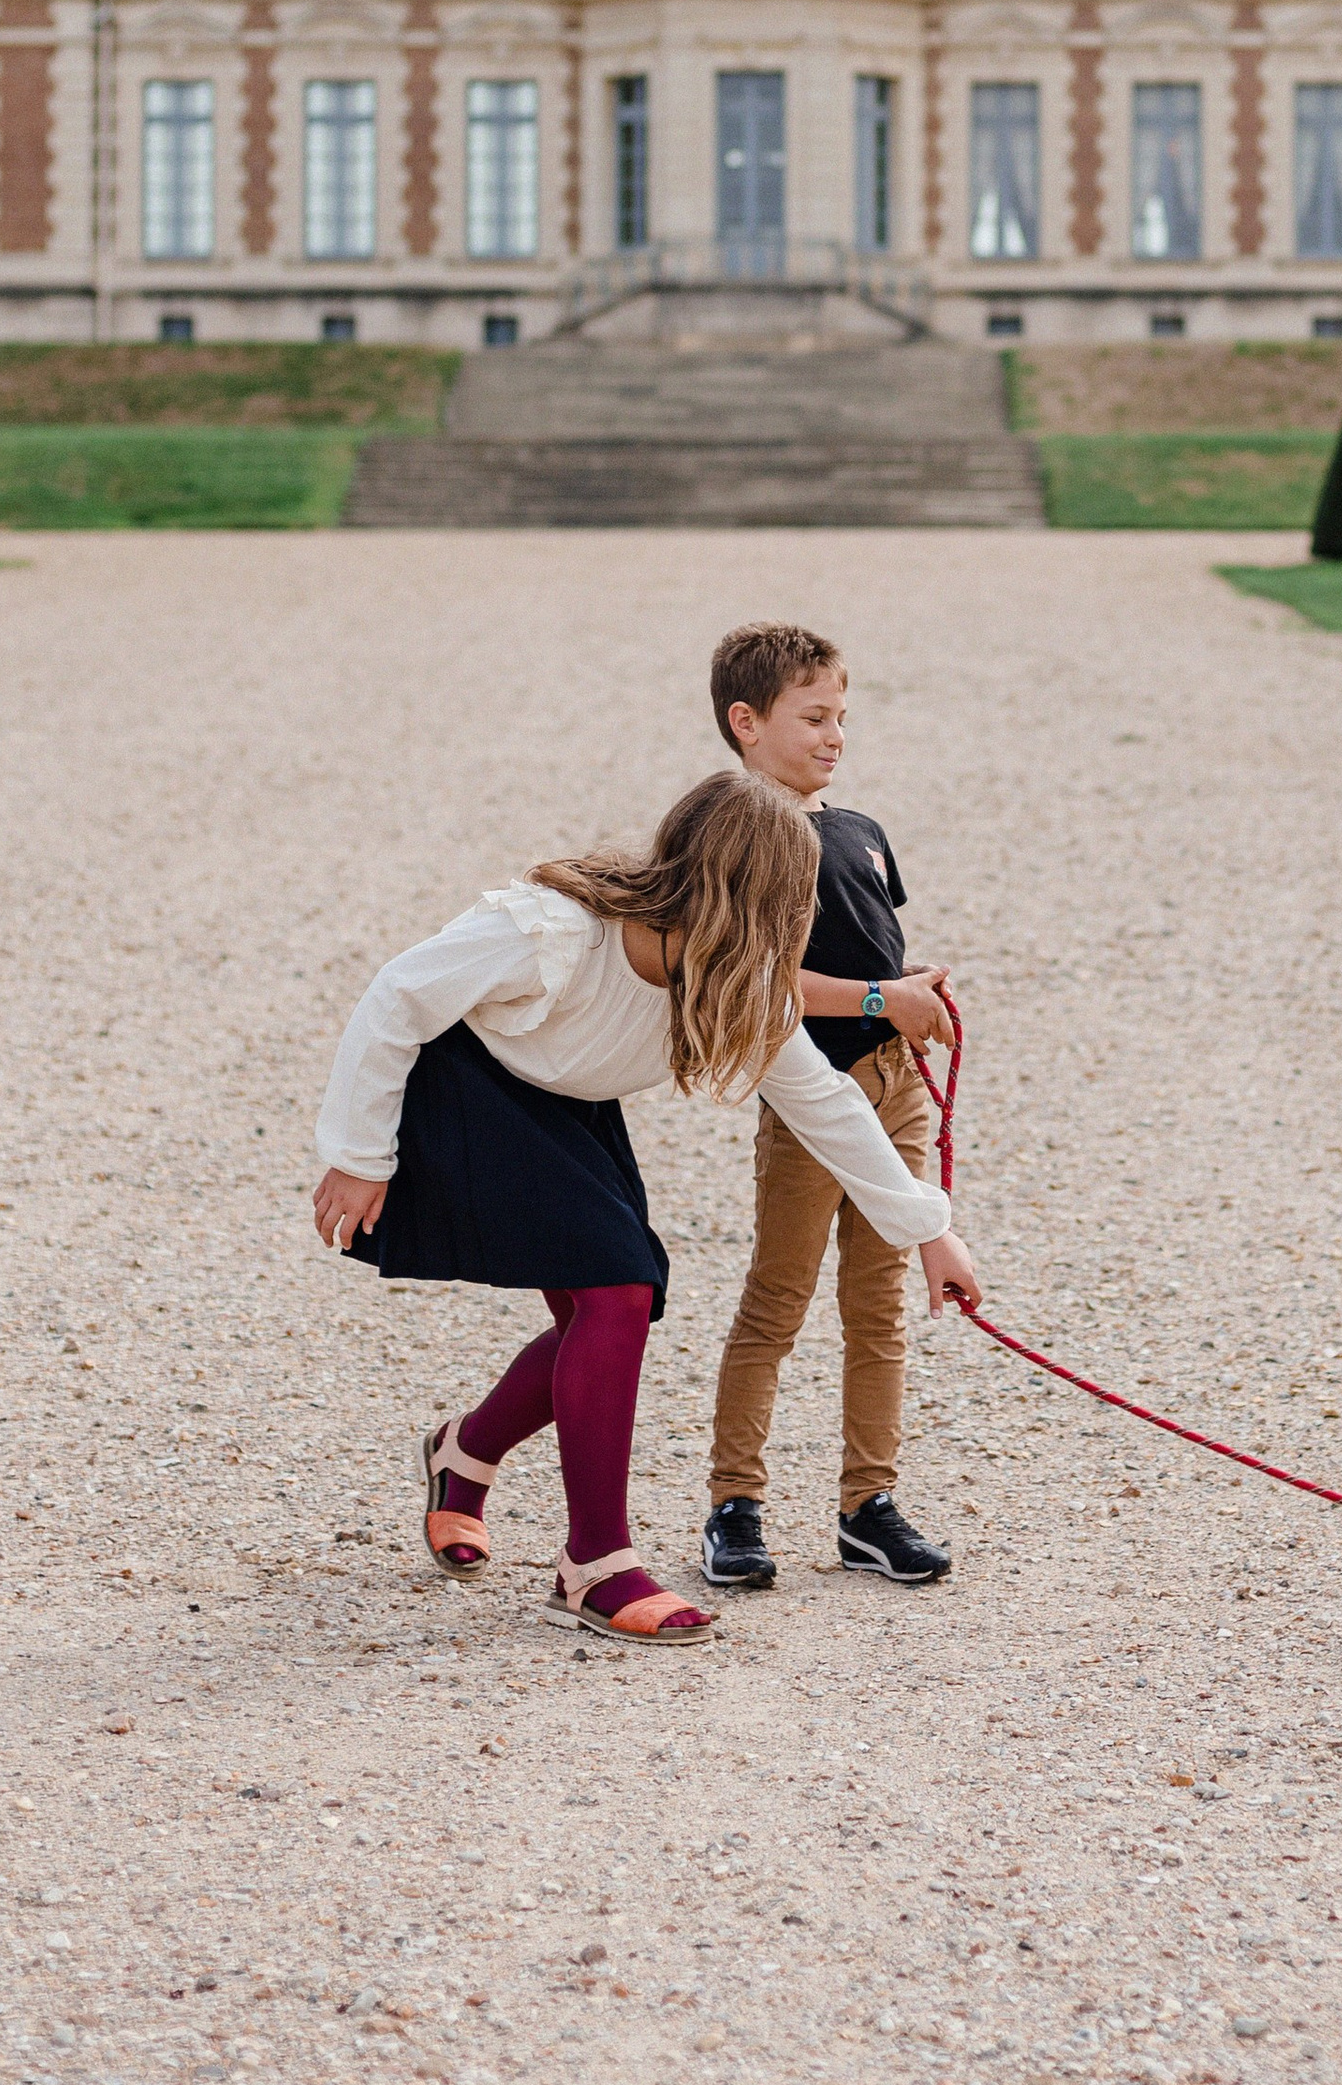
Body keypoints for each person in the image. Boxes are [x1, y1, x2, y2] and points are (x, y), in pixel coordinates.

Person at [310, 766, 982, 1646]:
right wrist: (360, 1156)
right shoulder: (554, 930)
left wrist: (930, 1229)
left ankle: (463, 1451)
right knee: (619, 1294)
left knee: (616, 1307)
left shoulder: (739, 981)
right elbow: (396, 997)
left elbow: (827, 1105)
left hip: (573, 1102)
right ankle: (595, 1563)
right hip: (471, 1085)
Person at [700, 625, 961, 1594]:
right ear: (746, 722)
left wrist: (910, 990)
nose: (835, 734)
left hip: (894, 1088)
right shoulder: (742, 837)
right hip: (811, 1092)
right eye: (813, 717)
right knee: (775, 1301)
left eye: (842, 716)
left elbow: (869, 947)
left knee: (878, 1304)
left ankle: (868, 1504)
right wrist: (875, 999)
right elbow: (758, 981)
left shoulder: (860, 831)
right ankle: (734, 1503)